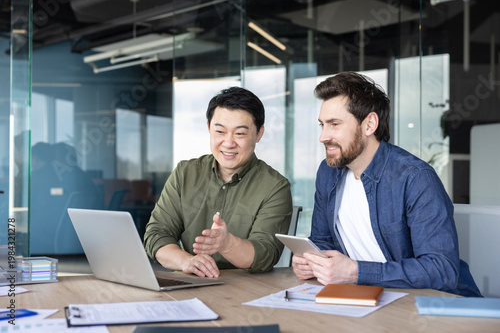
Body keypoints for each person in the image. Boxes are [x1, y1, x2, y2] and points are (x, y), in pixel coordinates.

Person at [292, 72, 481, 297]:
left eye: (334, 124)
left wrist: (356, 272)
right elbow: (322, 242)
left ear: (369, 124)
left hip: (437, 305)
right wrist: (311, 261)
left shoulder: (415, 177)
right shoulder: (328, 172)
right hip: (368, 298)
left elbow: (442, 270)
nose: (323, 136)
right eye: (322, 124)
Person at [144, 87, 293, 278]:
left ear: (259, 134)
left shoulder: (275, 187)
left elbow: (266, 253)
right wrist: (187, 261)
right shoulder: (185, 173)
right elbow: (156, 235)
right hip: (191, 284)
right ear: (208, 128)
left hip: (247, 290)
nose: (228, 143)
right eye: (220, 131)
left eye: (240, 134)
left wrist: (227, 244)